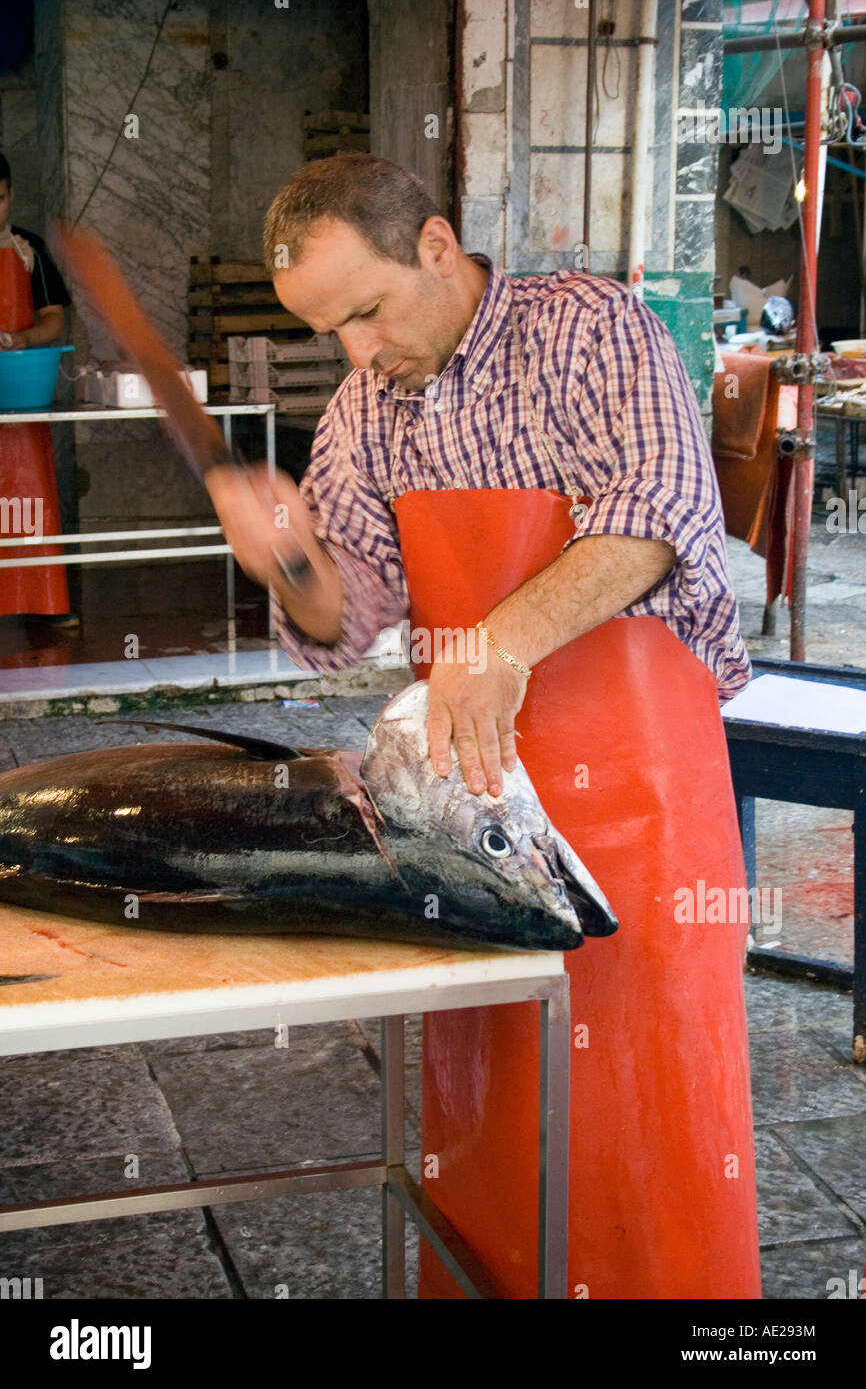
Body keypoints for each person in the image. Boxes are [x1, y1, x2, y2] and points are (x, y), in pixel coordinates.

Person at [204, 153, 761, 1299]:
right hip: (467, 798)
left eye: (366, 310)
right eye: (328, 331)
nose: (356, 353)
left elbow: (656, 514)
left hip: (640, 793)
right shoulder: (368, 407)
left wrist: (498, 643)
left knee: (647, 1105)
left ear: (437, 246)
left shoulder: (589, 329)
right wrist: (292, 558)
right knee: (496, 1093)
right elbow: (345, 617)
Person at [0, 151, 76, 629]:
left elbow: (55, 319)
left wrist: (20, 340)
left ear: (9, 196)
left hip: (20, 394)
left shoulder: (29, 250)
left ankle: (43, 600)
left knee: (28, 498)